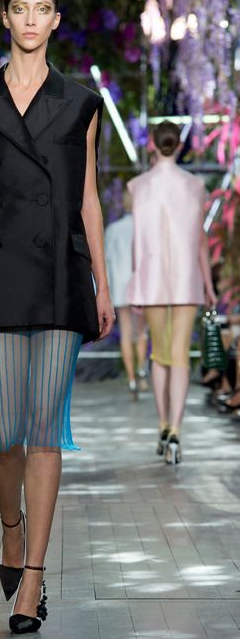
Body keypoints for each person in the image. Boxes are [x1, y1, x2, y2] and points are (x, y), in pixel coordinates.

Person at [0, 0, 114, 634]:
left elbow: (88, 197)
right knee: (4, 430)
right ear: (6, 17)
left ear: (55, 20)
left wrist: (103, 282)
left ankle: (32, 578)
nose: (32, 19)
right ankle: (10, 526)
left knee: (44, 428)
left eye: (43, 9)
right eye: (21, 8)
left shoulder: (81, 104)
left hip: (61, 274)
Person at [126, 121, 217, 464]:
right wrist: (208, 285)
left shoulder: (138, 186)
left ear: (152, 144)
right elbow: (200, 242)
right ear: (179, 145)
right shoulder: (195, 185)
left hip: (151, 280)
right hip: (185, 279)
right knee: (178, 354)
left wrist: (135, 283)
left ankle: (163, 424)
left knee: (159, 353)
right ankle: (176, 430)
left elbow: (138, 241)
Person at [105, 190, 148, 396]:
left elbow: (107, 260)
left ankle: (131, 379)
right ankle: (141, 371)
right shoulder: (145, 227)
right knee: (141, 331)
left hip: (120, 285)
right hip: (141, 284)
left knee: (126, 332)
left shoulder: (113, 229)